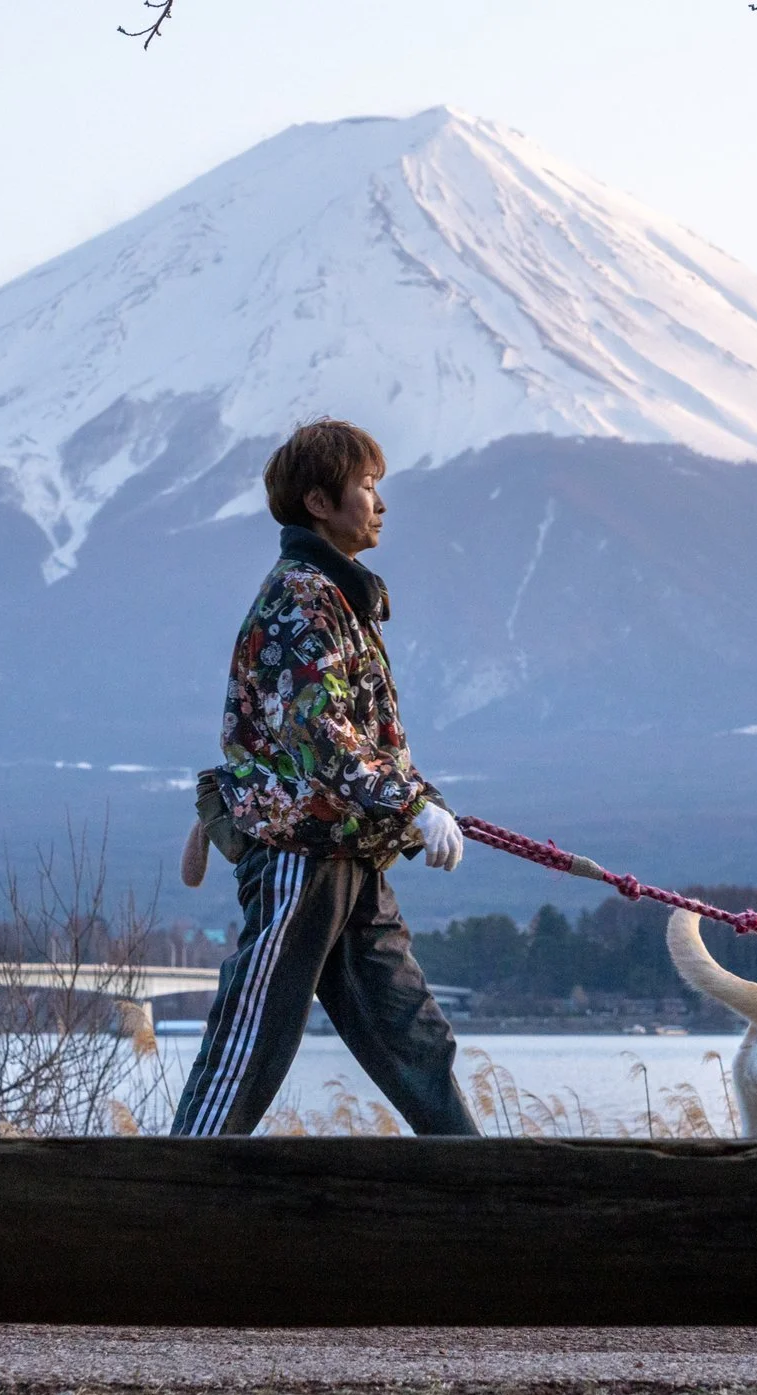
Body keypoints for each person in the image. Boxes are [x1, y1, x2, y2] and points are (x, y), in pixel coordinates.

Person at [171, 418, 478, 1138]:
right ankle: (178, 1195)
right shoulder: (303, 599)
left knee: (414, 1040)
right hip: (299, 853)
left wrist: (419, 803)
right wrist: (416, 804)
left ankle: (479, 1189)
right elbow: (324, 735)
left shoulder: (343, 599)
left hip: (350, 852)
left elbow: (363, 743)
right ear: (318, 501)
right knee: (252, 1040)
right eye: (367, 486)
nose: (380, 502)